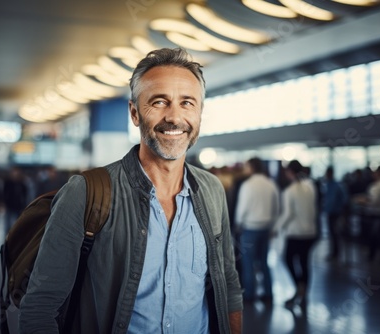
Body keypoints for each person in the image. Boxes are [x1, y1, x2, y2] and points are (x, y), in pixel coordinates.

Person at [19, 48, 243, 334]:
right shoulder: (86, 193)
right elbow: (40, 306)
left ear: (199, 113)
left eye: (187, 103)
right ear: (135, 113)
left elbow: (229, 284)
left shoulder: (211, 190)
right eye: (159, 102)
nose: (174, 117)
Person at [272, 160, 318, 309]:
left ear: (289, 172)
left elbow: (288, 214)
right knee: (304, 262)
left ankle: (299, 287)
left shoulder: (289, 191)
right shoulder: (310, 187)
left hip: (295, 233)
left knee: (288, 259)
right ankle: (304, 292)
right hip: (310, 232)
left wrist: (276, 228)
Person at [234, 157, 279, 303]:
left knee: (248, 264)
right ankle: (268, 293)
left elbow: (242, 208)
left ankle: (249, 295)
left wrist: (237, 224)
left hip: (250, 228)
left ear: (252, 167)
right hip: (266, 228)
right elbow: (276, 207)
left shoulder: (248, 185)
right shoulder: (270, 184)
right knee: (264, 262)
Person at [320, 166, 347, 261]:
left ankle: (336, 252)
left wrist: (342, 213)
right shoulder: (327, 185)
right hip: (329, 212)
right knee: (332, 233)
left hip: (336, 213)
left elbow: (344, 199)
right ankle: (334, 252)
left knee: (335, 233)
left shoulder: (337, 185)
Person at [3, 166, 28, 233]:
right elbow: (4, 194)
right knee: (7, 225)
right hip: (9, 206)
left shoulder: (22, 183)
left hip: (18, 207)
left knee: (16, 225)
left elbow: (24, 195)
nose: (16, 174)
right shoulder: (8, 182)